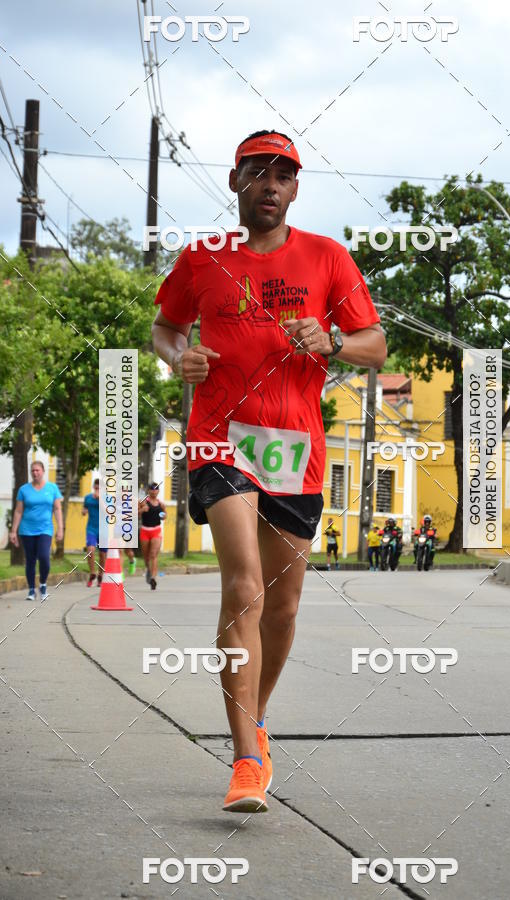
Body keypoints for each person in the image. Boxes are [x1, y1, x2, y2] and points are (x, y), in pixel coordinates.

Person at [152, 129, 386, 813]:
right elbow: (166, 328)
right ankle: (246, 758)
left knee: (281, 608)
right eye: (258, 173)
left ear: (295, 189)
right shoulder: (202, 258)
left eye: (283, 176)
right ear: (237, 182)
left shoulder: (327, 257)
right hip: (220, 439)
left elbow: (374, 344)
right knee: (244, 587)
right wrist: (178, 357)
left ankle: (255, 719)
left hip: (294, 447)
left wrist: (333, 340)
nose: (270, 186)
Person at [9, 460, 63, 601]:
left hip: (45, 528)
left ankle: (43, 584)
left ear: (43, 471)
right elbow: (18, 511)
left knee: (44, 557)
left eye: (37, 470)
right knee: (30, 560)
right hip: (27, 530)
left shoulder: (52, 488)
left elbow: (57, 509)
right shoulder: (23, 490)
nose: (35, 473)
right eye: (32, 470)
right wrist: (13, 531)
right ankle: (31, 590)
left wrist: (60, 528)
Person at [139, 483, 165, 590]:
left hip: (156, 531)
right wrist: (142, 510)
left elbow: (164, 516)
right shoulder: (143, 502)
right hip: (145, 530)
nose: (154, 491)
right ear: (148, 491)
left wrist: (162, 514)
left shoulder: (161, 504)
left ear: (158, 491)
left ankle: (153, 578)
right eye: (152, 489)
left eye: (156, 489)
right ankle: (149, 570)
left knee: (153, 554)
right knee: (146, 557)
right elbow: (133, 515)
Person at [82, 478, 107, 586]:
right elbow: (85, 508)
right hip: (91, 528)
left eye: (99, 488)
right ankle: (92, 573)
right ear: (93, 487)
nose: (97, 490)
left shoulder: (107, 498)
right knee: (90, 550)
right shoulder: (88, 497)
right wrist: (84, 511)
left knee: (102, 554)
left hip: (104, 530)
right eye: (96, 488)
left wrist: (100, 498)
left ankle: (101, 575)